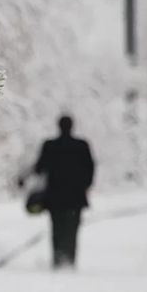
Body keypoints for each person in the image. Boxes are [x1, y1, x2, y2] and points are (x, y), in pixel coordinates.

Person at [25, 115, 95, 269]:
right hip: (75, 197)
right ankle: (70, 260)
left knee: (57, 228)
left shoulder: (49, 145)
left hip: (55, 197)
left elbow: (39, 168)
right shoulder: (81, 145)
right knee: (72, 229)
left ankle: (58, 259)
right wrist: (84, 185)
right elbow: (90, 169)